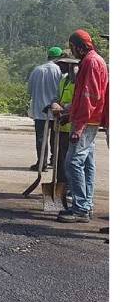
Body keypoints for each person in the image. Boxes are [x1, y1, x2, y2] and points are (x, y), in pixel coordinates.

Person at [57, 29, 108, 223]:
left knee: (73, 163)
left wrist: (78, 126)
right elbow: (82, 98)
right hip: (88, 119)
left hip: (87, 121)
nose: (72, 52)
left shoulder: (91, 62)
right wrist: (69, 113)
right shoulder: (92, 61)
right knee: (86, 164)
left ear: (78, 46)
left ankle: (80, 208)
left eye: (72, 48)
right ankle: (86, 205)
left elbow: (90, 97)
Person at [49, 52, 80, 210]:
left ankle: (71, 191)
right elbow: (57, 96)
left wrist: (64, 108)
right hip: (60, 125)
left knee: (72, 162)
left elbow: (79, 102)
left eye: (63, 64)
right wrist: (54, 103)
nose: (60, 67)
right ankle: (61, 189)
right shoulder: (63, 79)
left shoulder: (79, 81)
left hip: (73, 127)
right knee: (60, 160)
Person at [27, 46, 63, 171]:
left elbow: (29, 90)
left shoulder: (37, 70)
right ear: (59, 58)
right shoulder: (60, 71)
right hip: (56, 110)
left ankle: (41, 162)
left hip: (40, 110)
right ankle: (54, 161)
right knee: (55, 137)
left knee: (41, 138)